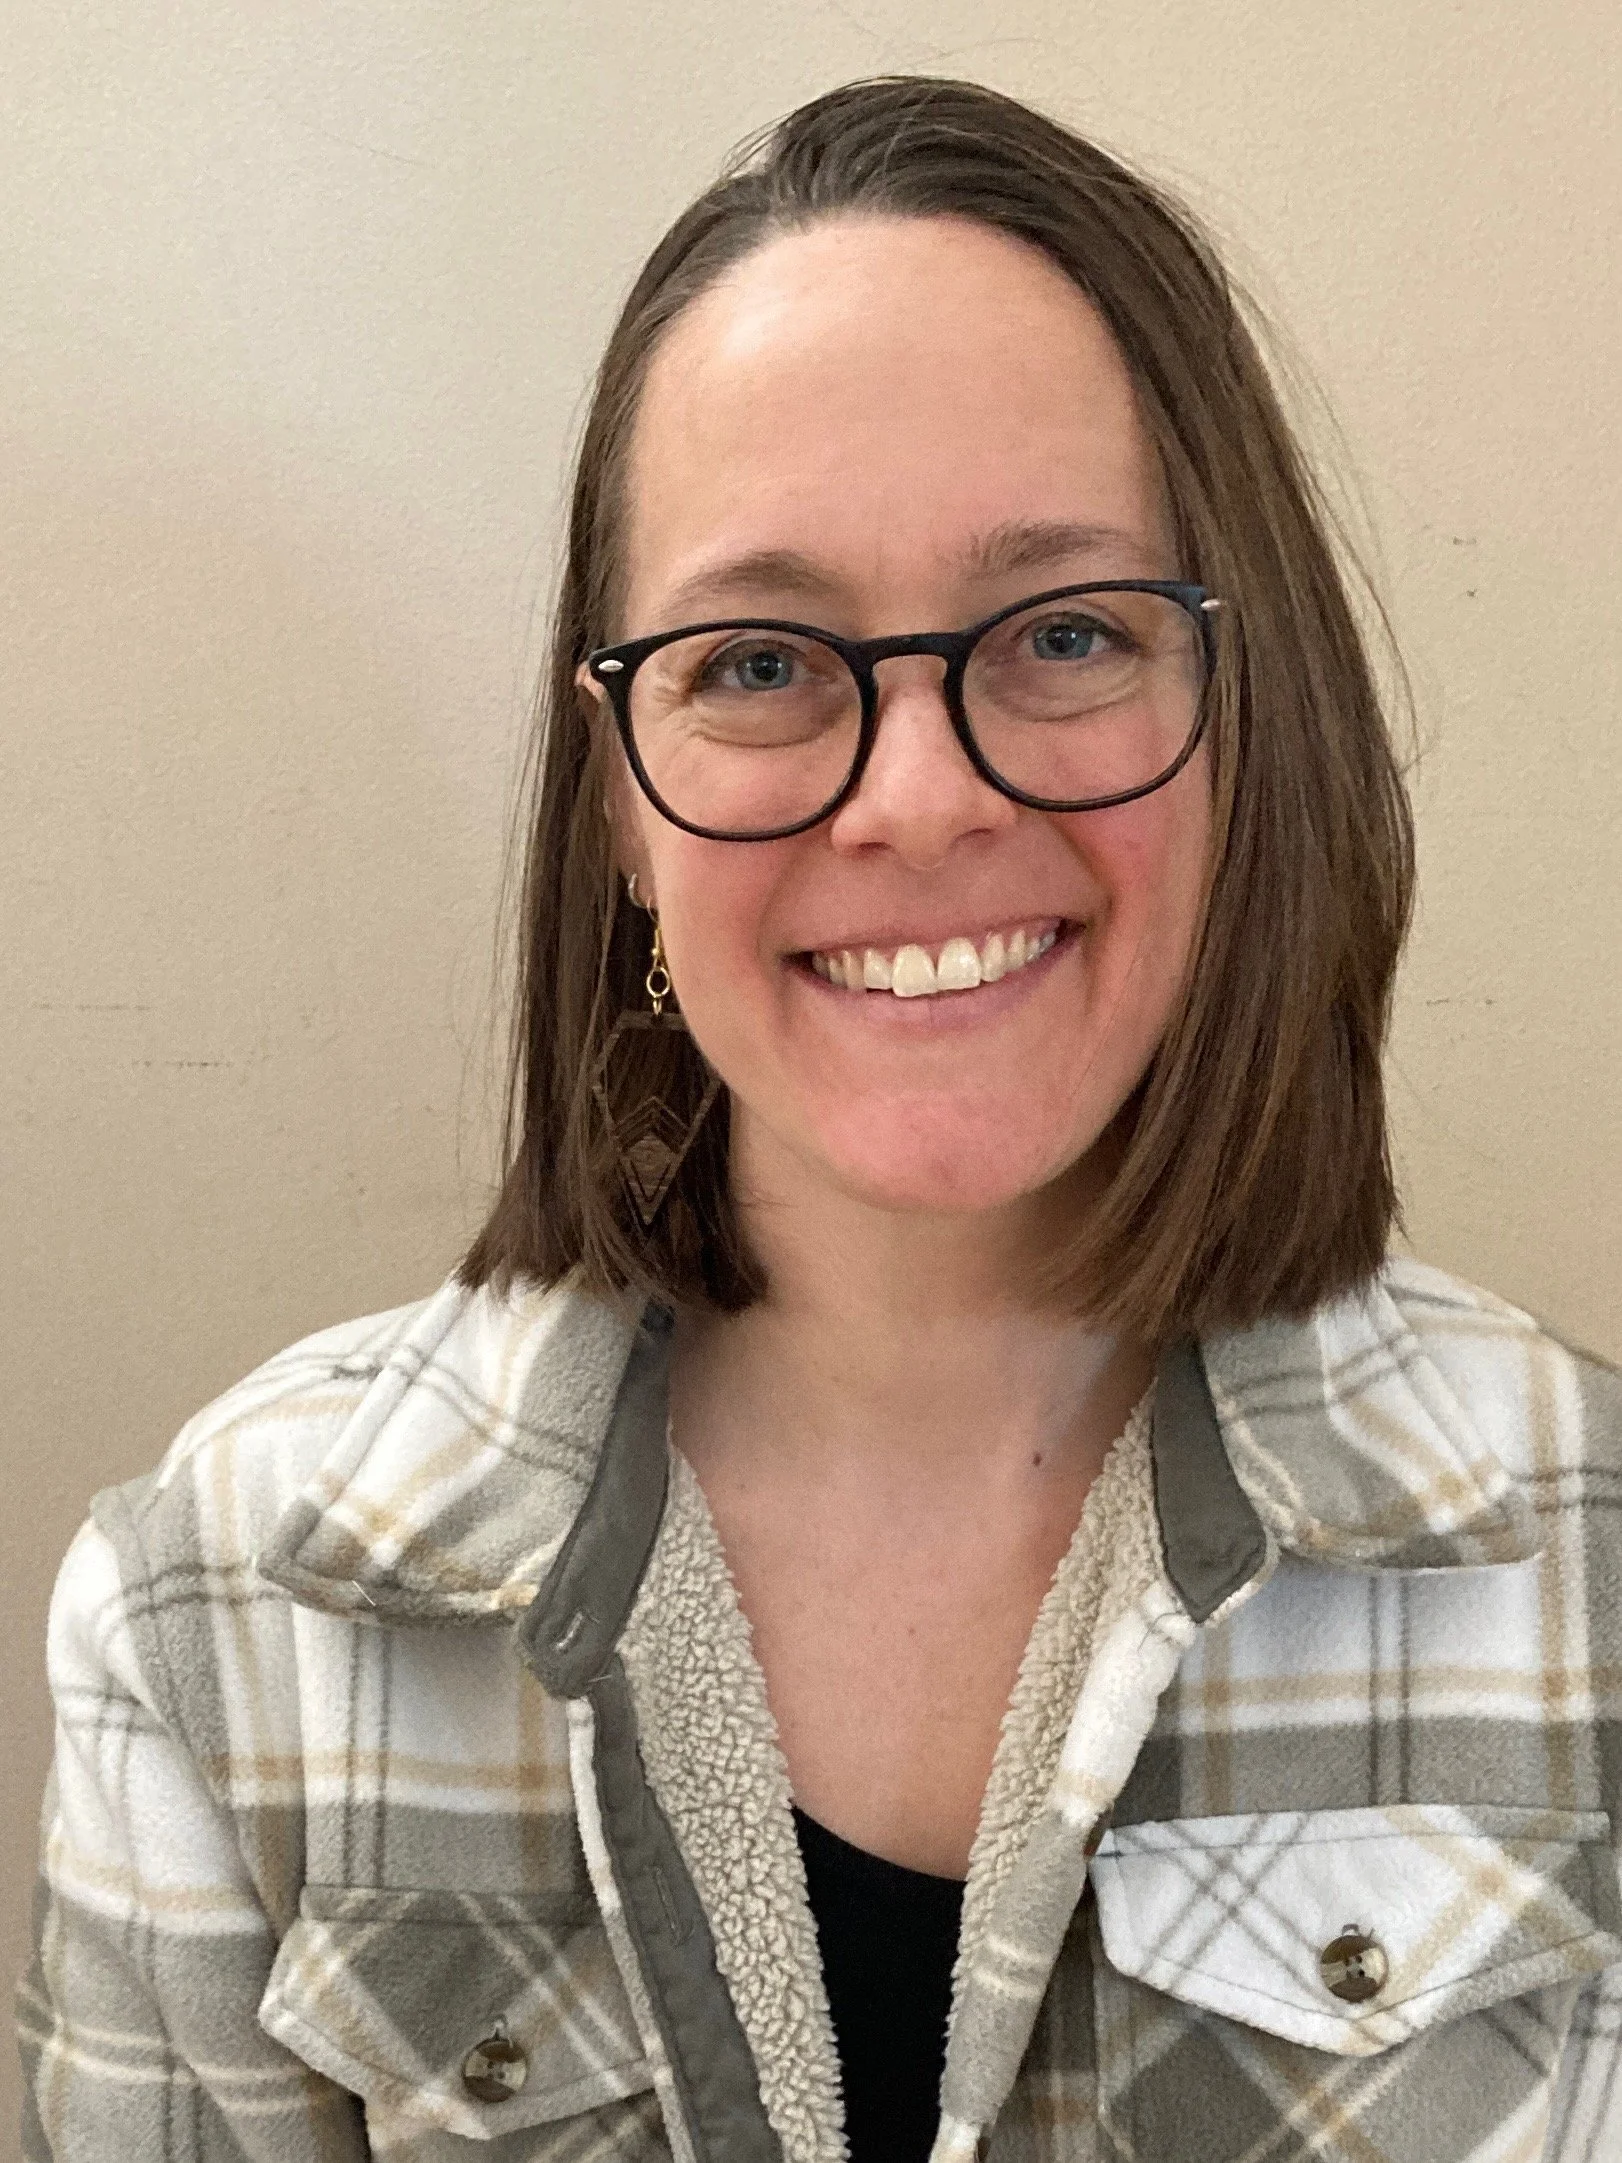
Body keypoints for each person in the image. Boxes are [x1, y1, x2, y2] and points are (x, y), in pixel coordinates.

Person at [18, 73, 1622, 2163]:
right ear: (618, 793)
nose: (923, 794)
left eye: (1064, 633)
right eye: (761, 661)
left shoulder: (1583, 1572)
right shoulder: (224, 1617)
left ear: (1252, 717)